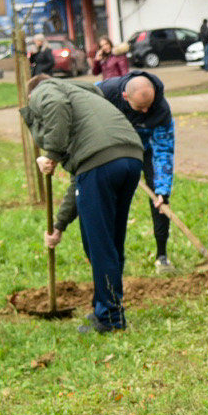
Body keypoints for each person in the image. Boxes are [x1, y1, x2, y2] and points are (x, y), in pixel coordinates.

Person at [21, 73, 146, 333]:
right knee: (111, 241)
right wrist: (59, 225)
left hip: (101, 164)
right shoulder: (83, 98)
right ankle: (105, 306)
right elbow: (79, 181)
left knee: (99, 245)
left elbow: (55, 104)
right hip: (131, 158)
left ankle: (110, 318)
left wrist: (51, 154)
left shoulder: (45, 89)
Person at [96, 69, 177, 273]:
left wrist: (162, 188)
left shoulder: (161, 109)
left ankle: (162, 256)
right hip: (115, 150)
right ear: (125, 96)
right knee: (111, 199)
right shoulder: (105, 91)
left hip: (146, 150)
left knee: (160, 201)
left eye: (148, 105)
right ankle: (111, 257)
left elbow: (164, 149)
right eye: (140, 107)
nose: (145, 111)